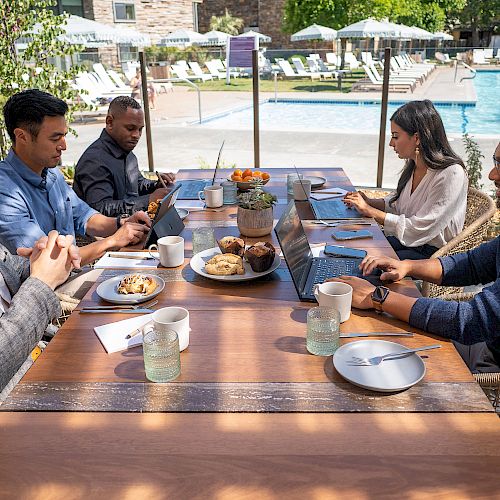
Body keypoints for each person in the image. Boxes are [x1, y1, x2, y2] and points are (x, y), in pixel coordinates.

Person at [0, 89, 151, 265]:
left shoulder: (51, 173)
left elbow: (83, 216)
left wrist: (122, 223)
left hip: (75, 270)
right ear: (22, 136)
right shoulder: (6, 192)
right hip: (45, 287)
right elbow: (48, 262)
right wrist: (112, 241)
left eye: (64, 136)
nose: (63, 146)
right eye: (55, 139)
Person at [328, 230, 500, 372]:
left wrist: (377, 296)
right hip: (484, 341)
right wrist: (407, 266)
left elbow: (469, 321)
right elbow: (471, 264)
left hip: (490, 361)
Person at [343, 100, 468, 260]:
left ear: (417, 138)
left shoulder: (451, 174)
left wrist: (371, 211)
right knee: (350, 248)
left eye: (395, 136)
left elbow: (421, 228)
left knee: (365, 262)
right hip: (408, 244)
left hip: (431, 255)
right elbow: (398, 204)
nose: (390, 143)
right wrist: (367, 202)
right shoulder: (415, 165)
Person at [0, 231, 80, 393]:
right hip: (19, 405)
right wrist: (42, 282)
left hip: (45, 363)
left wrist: (50, 259)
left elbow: (13, 270)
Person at [73, 96, 175, 217]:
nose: (136, 135)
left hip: (132, 224)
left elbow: (136, 184)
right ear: (110, 122)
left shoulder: (127, 152)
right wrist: (148, 200)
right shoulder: (94, 161)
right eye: (130, 128)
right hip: (108, 234)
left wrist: (156, 185)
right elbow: (100, 209)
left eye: (140, 129)